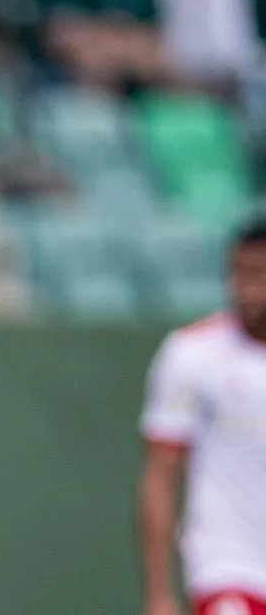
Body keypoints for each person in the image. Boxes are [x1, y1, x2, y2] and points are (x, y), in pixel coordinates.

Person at [138, 215, 266, 615]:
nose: (244, 288)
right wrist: (158, 594)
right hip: (228, 567)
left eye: (258, 274)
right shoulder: (192, 354)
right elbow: (160, 475)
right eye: (237, 273)